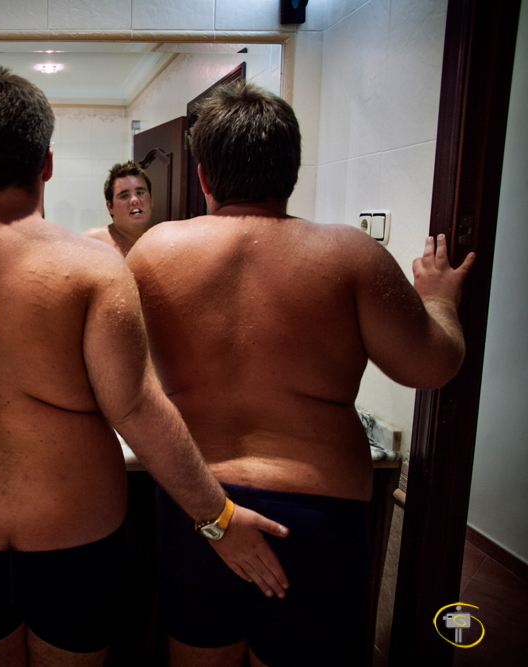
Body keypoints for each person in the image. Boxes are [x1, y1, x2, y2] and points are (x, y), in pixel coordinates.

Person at [0, 67, 290, 667]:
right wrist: (218, 517)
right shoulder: (94, 268)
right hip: (75, 540)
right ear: (46, 163)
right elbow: (135, 407)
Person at [127, 82, 475, 667]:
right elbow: (432, 366)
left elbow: (123, 386)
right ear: (291, 170)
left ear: (205, 177)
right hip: (319, 514)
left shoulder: (155, 252)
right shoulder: (348, 254)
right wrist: (439, 301)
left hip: (200, 506)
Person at [82, 162, 153, 257]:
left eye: (140, 193)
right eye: (124, 196)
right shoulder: (92, 242)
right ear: (110, 207)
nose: (134, 200)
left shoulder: (160, 243)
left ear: (151, 200)